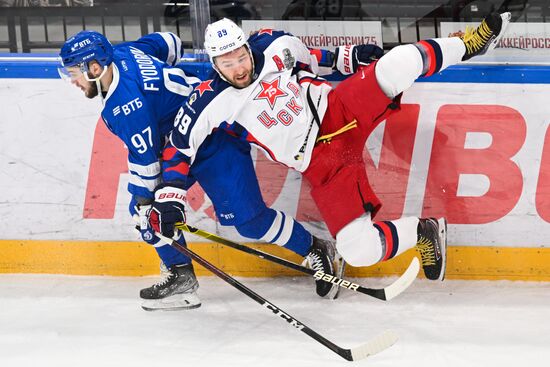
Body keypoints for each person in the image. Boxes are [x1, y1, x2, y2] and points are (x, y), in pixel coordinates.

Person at [147, 13, 512, 282]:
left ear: (245, 45)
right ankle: (423, 231)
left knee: (397, 62)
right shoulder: (207, 102)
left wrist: (345, 58)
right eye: (227, 63)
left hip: (339, 111)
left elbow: (312, 59)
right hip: (323, 167)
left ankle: (469, 44)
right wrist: (169, 199)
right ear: (214, 63)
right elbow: (180, 149)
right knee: (358, 249)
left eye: (240, 56)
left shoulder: (274, 43)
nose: (239, 67)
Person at [58, 30, 375, 310]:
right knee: (150, 218)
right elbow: (169, 43)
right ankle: (181, 277)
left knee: (246, 221)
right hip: (179, 145)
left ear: (95, 67)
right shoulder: (126, 52)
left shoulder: (123, 108)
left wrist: (147, 203)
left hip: (211, 140)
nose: (72, 80)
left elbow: (147, 165)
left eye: (74, 72)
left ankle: (317, 249)